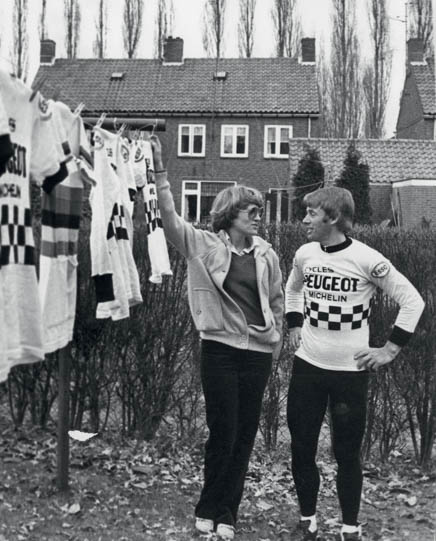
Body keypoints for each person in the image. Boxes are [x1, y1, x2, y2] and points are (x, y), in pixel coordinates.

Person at [151, 136, 284, 540]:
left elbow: (276, 300)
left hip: (258, 353)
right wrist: (160, 172)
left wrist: (274, 338)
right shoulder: (202, 246)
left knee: (245, 433)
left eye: (260, 212)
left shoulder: (267, 254)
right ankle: (207, 505)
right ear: (229, 214)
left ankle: (227, 512)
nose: (258, 218)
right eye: (251, 211)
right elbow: (170, 219)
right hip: (220, 351)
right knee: (222, 429)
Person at [285, 187, 425, 541]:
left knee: (346, 453)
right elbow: (293, 289)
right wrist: (294, 324)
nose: (304, 220)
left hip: (350, 374)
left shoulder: (366, 259)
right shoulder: (305, 254)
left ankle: (349, 527)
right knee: (302, 446)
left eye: (311, 214)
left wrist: (390, 350)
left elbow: (412, 301)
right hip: (308, 368)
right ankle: (308, 521)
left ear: (332, 218)